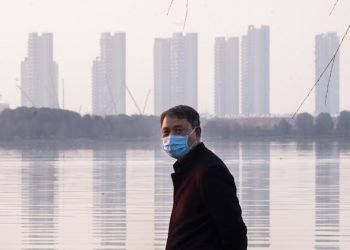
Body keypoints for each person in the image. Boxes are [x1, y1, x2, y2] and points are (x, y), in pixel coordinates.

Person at [160, 105, 248, 250]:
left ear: (197, 132)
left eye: (178, 130)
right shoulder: (187, 170)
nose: (171, 137)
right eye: (166, 132)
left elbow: (234, 232)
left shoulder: (210, 170)